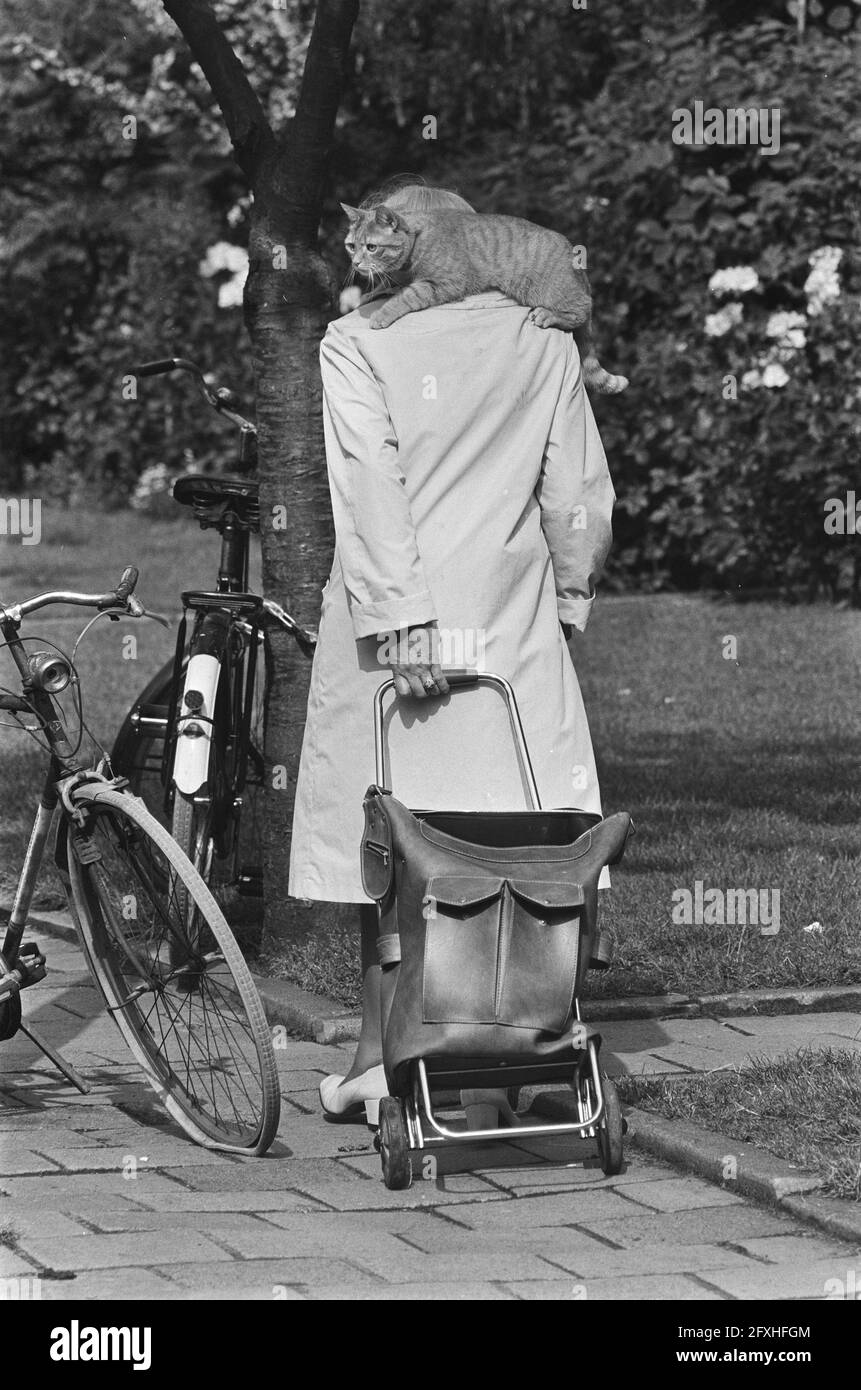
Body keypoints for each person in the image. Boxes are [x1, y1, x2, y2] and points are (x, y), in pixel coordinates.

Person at [287, 179, 616, 1126]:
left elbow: (369, 488)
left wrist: (399, 624)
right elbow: (576, 489)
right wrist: (568, 598)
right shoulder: (542, 341)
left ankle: (380, 1058)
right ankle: (510, 1054)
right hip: (509, 628)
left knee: (386, 854)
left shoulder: (357, 343)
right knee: (514, 845)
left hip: (400, 635)